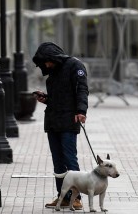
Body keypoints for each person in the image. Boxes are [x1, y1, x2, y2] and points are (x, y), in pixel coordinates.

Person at [32, 41, 89, 212]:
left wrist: (81, 110)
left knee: (70, 159)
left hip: (69, 120)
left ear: (53, 57)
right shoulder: (53, 72)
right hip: (53, 121)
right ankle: (63, 197)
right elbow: (58, 98)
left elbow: (82, 89)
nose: (46, 65)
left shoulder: (74, 65)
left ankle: (76, 198)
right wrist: (46, 99)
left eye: (47, 61)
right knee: (58, 162)